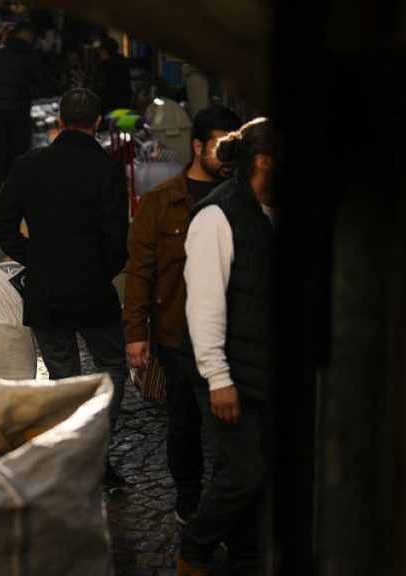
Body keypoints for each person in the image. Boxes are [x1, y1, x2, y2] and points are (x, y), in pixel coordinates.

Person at [0, 88, 129, 490]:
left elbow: (0, 223)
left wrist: (33, 255)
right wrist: (102, 268)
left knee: (64, 377)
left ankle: (75, 452)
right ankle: (96, 445)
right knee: (113, 367)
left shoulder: (29, 164)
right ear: (97, 123)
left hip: (46, 288)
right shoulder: (107, 169)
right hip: (93, 288)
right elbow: (117, 238)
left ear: (60, 122)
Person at [122, 105, 243, 526]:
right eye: (221, 146)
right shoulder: (161, 202)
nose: (229, 157)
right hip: (176, 333)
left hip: (234, 335)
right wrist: (136, 332)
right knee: (184, 422)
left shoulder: (242, 201)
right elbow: (140, 271)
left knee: (233, 430)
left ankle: (228, 506)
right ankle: (189, 501)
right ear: (197, 146)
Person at [175, 118, 276, 576]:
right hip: (226, 368)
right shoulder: (218, 216)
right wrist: (218, 378)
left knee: (253, 469)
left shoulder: (268, 209)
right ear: (263, 161)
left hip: (263, 365)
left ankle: (247, 555)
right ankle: (193, 548)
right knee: (243, 472)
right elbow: (205, 306)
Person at [0, 20, 54, 200]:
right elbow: (43, 82)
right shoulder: (30, 56)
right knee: (19, 150)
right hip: (19, 111)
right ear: (29, 36)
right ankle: (15, 188)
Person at [90, 37, 133, 117]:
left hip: (108, 109)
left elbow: (101, 90)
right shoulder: (122, 64)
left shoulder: (105, 67)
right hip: (123, 107)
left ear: (104, 51)